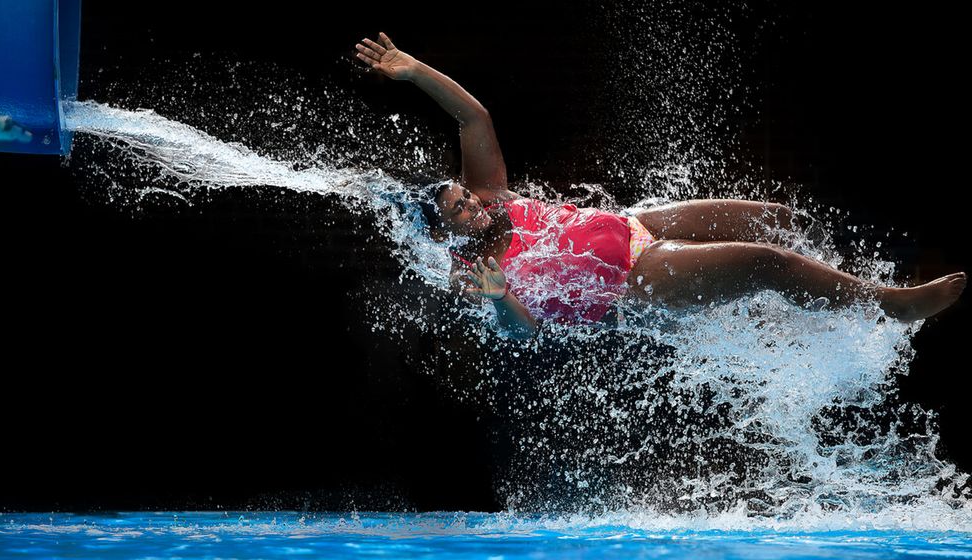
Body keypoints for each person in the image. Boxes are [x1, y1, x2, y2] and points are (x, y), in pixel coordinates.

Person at [353, 32, 966, 340]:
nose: (473, 207)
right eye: (459, 212)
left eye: (464, 196)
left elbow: (473, 118)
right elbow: (522, 331)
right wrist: (494, 297)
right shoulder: (471, 272)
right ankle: (891, 306)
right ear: (445, 237)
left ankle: (827, 314)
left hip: (639, 224)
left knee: (778, 219)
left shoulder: (493, 200)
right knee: (765, 262)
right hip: (637, 282)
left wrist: (413, 72)